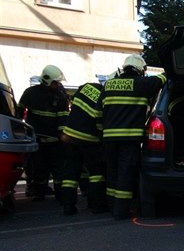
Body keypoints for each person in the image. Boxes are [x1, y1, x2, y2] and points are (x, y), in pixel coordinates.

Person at [100, 55, 166, 219]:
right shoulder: (141, 84)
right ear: (140, 70)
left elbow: (98, 112)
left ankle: (111, 206)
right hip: (129, 140)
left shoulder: (108, 85)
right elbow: (163, 78)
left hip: (108, 139)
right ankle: (121, 211)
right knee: (126, 174)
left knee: (112, 172)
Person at [17, 65, 69, 201]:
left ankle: (59, 194)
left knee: (57, 170)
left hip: (54, 141)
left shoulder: (60, 97)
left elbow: (63, 118)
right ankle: (39, 193)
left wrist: (63, 135)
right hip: (38, 139)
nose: (58, 85)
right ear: (46, 80)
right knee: (39, 169)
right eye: (55, 82)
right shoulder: (30, 93)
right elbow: (19, 112)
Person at [59, 80, 108, 215]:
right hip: (89, 140)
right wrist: (102, 138)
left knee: (70, 174)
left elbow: (74, 103)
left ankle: (68, 207)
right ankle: (97, 205)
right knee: (96, 174)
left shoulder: (86, 87)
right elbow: (99, 122)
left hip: (69, 137)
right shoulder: (104, 96)